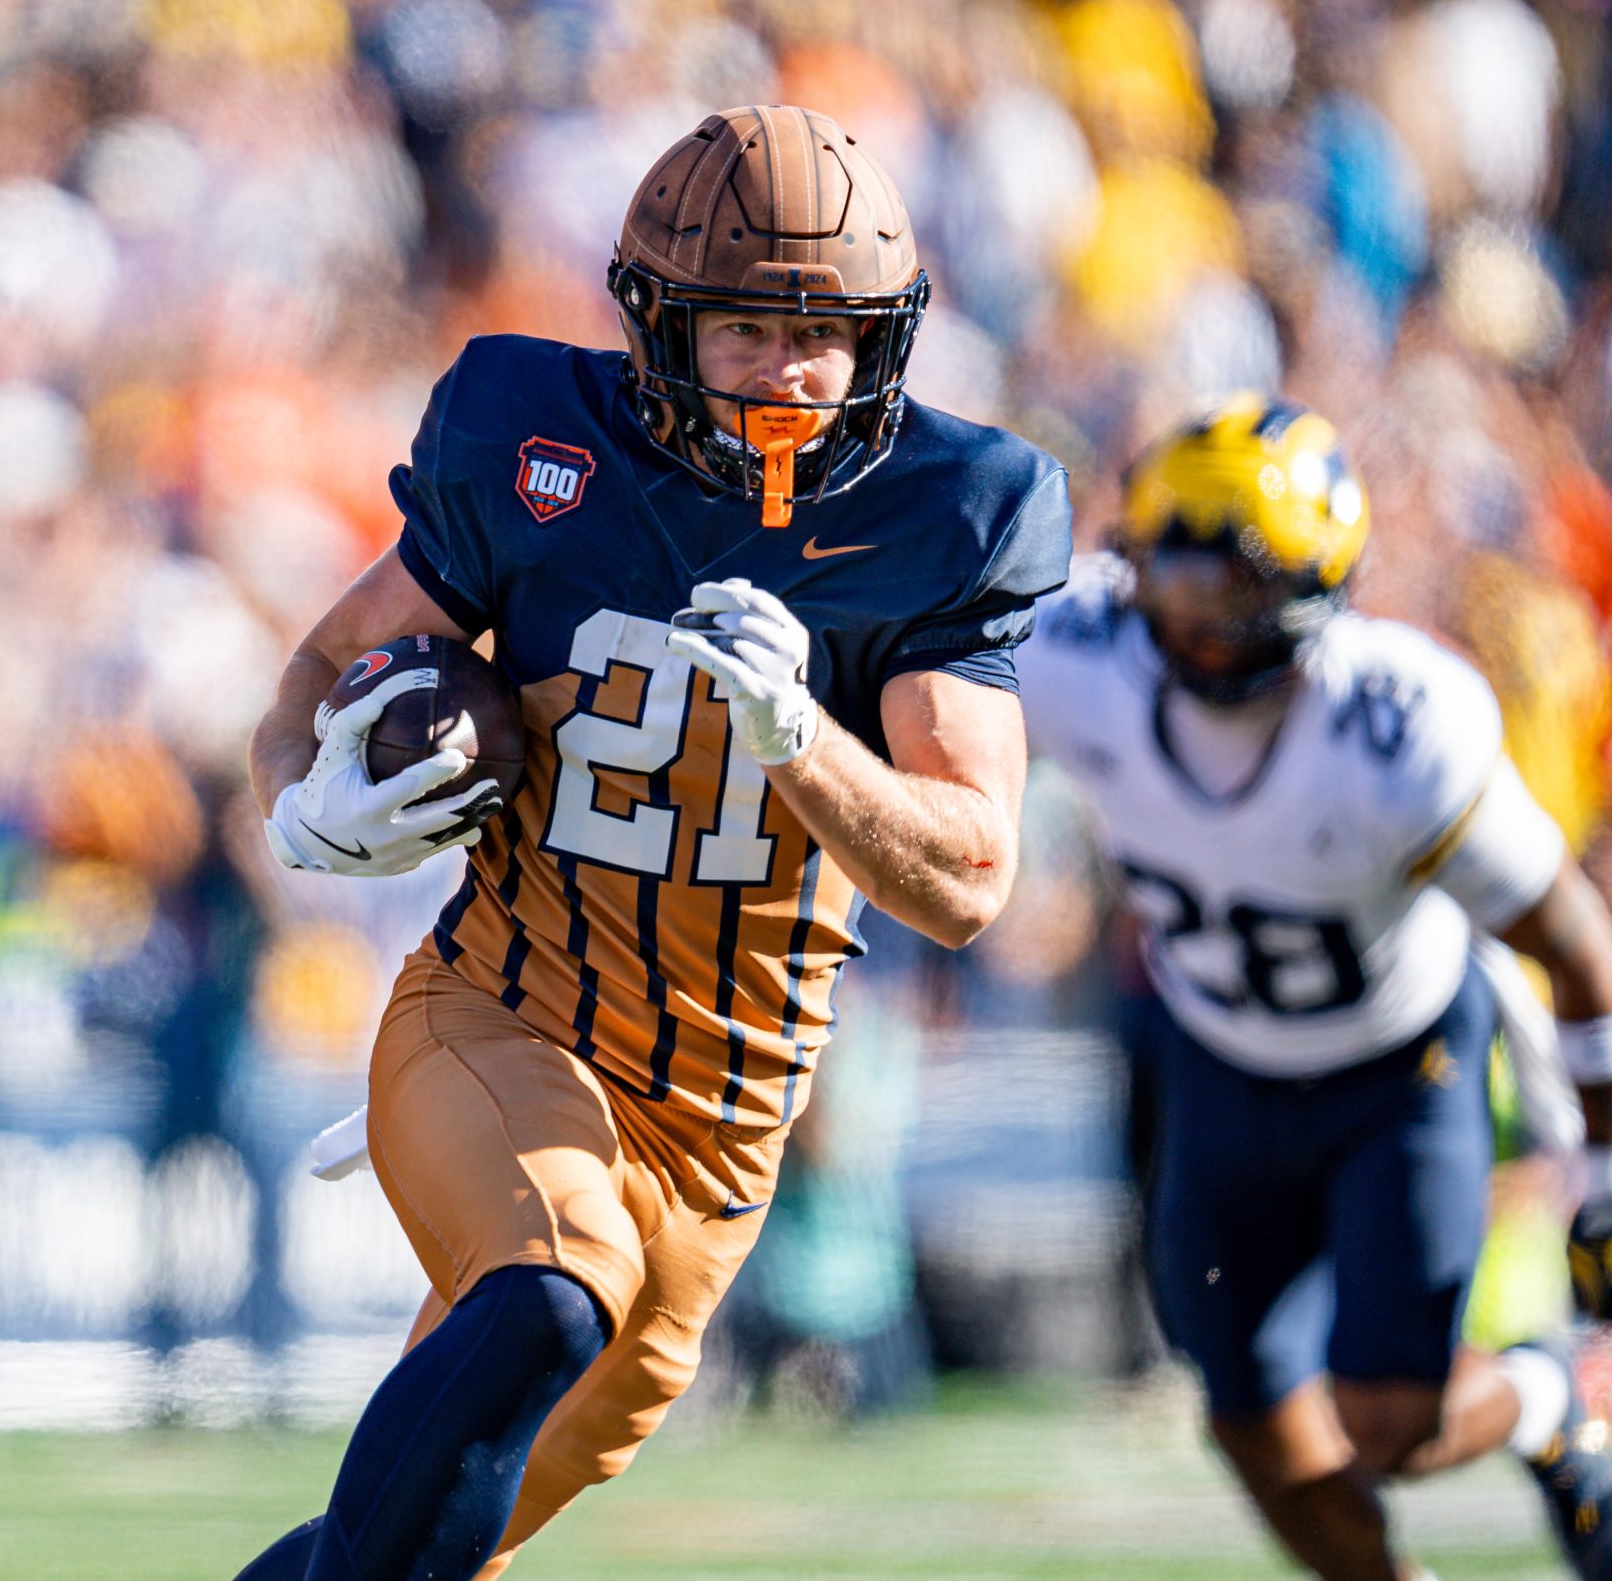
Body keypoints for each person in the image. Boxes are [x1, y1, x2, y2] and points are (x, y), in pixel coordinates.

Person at [234, 104, 1071, 1581]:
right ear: (655, 324)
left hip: (716, 1148)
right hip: (503, 1016)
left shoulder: (949, 511)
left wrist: (806, 737)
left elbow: (970, 876)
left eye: (832, 334)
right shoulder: (537, 440)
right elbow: (322, 670)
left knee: (406, 1553)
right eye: (746, 327)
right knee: (557, 1287)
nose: (790, 372)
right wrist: (305, 805)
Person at [1017, 397, 1612, 1581]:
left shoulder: (1391, 728)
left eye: (1240, 589)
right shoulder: (1073, 658)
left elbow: (1578, 948)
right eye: (1183, 578)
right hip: (1218, 1057)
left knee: (1389, 1424)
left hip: (1395, 1064)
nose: (1204, 620)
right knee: (1249, 1420)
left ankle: (1537, 1397)